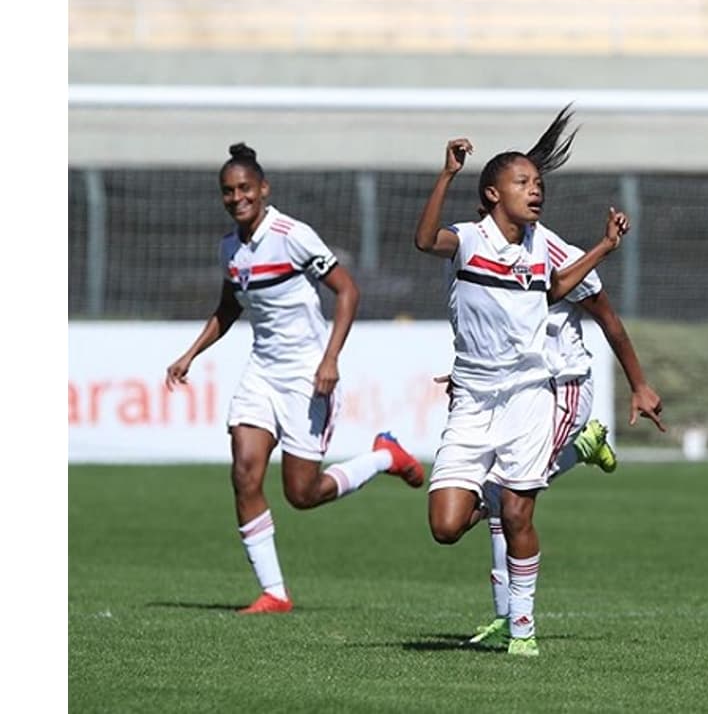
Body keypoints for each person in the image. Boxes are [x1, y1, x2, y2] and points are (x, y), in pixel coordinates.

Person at [164, 143, 426, 615]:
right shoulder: (230, 247)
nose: (236, 197)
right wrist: (189, 354)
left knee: (302, 494)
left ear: (263, 189)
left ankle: (385, 456)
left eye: (244, 188)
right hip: (261, 374)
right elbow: (228, 309)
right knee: (244, 472)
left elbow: (348, 291)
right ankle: (274, 593)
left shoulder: (292, 235)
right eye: (228, 191)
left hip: (308, 376)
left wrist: (330, 360)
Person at [413, 108, 629, 658]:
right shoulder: (467, 240)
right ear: (491, 194)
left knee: (515, 513)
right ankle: (568, 459)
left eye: (538, 184)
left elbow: (553, 290)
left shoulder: (540, 245)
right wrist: (446, 175)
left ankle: (523, 629)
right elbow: (423, 240)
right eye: (523, 183)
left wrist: (602, 248)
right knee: (445, 525)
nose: (536, 192)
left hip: (530, 396)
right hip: (473, 401)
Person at [466, 239, 667, 648]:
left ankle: (518, 626)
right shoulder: (484, 251)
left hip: (565, 388)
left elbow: (608, 319)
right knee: (494, 493)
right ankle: (507, 618)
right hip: (517, 391)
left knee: (507, 496)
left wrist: (640, 385)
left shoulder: (556, 254)